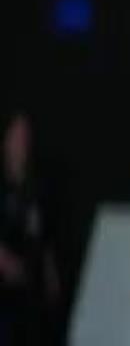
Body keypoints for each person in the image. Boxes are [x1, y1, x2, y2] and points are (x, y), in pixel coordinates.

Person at [0, 112, 61, 345]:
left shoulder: (35, 186)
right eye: (17, 137)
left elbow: (43, 234)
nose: (21, 143)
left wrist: (50, 272)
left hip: (30, 288)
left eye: (25, 137)